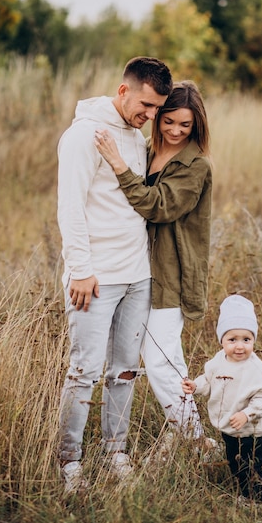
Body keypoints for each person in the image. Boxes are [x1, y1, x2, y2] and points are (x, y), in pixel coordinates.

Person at [57, 56, 173, 496]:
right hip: (95, 278)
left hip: (137, 276)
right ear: (124, 90)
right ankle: (70, 462)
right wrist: (81, 270)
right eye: (145, 104)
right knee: (83, 371)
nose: (150, 115)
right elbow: (70, 207)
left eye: (157, 108)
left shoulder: (135, 135)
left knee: (125, 371)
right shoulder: (84, 135)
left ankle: (116, 451)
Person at [95, 80, 213, 450]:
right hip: (135, 270)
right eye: (169, 122)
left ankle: (194, 441)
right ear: (157, 116)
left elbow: (158, 206)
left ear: (196, 127)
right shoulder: (146, 150)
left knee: (160, 360)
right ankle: (193, 437)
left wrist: (117, 163)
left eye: (186, 126)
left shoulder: (195, 165)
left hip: (172, 274)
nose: (176, 131)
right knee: (166, 357)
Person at [181, 295, 262, 505]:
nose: (239, 346)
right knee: (235, 463)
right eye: (232, 339)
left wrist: (247, 414)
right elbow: (209, 380)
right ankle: (244, 489)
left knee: (250, 465)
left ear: (253, 340)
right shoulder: (218, 361)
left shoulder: (256, 369)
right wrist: (196, 386)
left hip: (254, 431)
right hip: (229, 428)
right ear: (222, 341)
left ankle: (254, 499)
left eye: (246, 339)